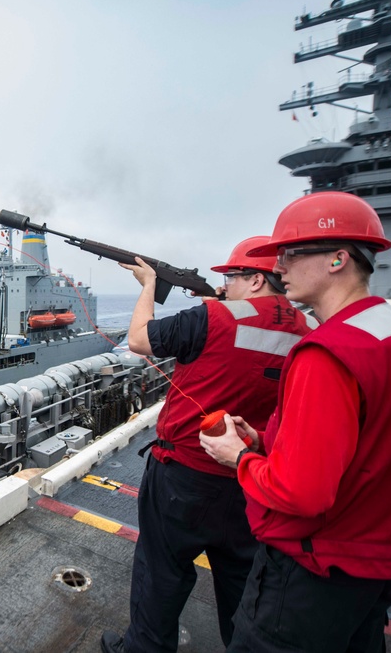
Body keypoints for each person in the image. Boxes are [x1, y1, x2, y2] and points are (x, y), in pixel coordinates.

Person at [200, 192, 391, 652]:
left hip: (313, 570)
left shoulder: (327, 353)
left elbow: (302, 492)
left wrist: (240, 456)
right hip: (377, 564)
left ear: (339, 258)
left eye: (292, 253)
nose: (279, 267)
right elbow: (385, 444)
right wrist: (269, 441)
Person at [102, 237, 316, 653]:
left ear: (255, 280)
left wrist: (148, 284)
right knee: (241, 585)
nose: (225, 286)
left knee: (161, 574)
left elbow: (140, 340)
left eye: (232, 277)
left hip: (182, 476)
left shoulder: (213, 317)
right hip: (250, 476)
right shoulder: (310, 332)